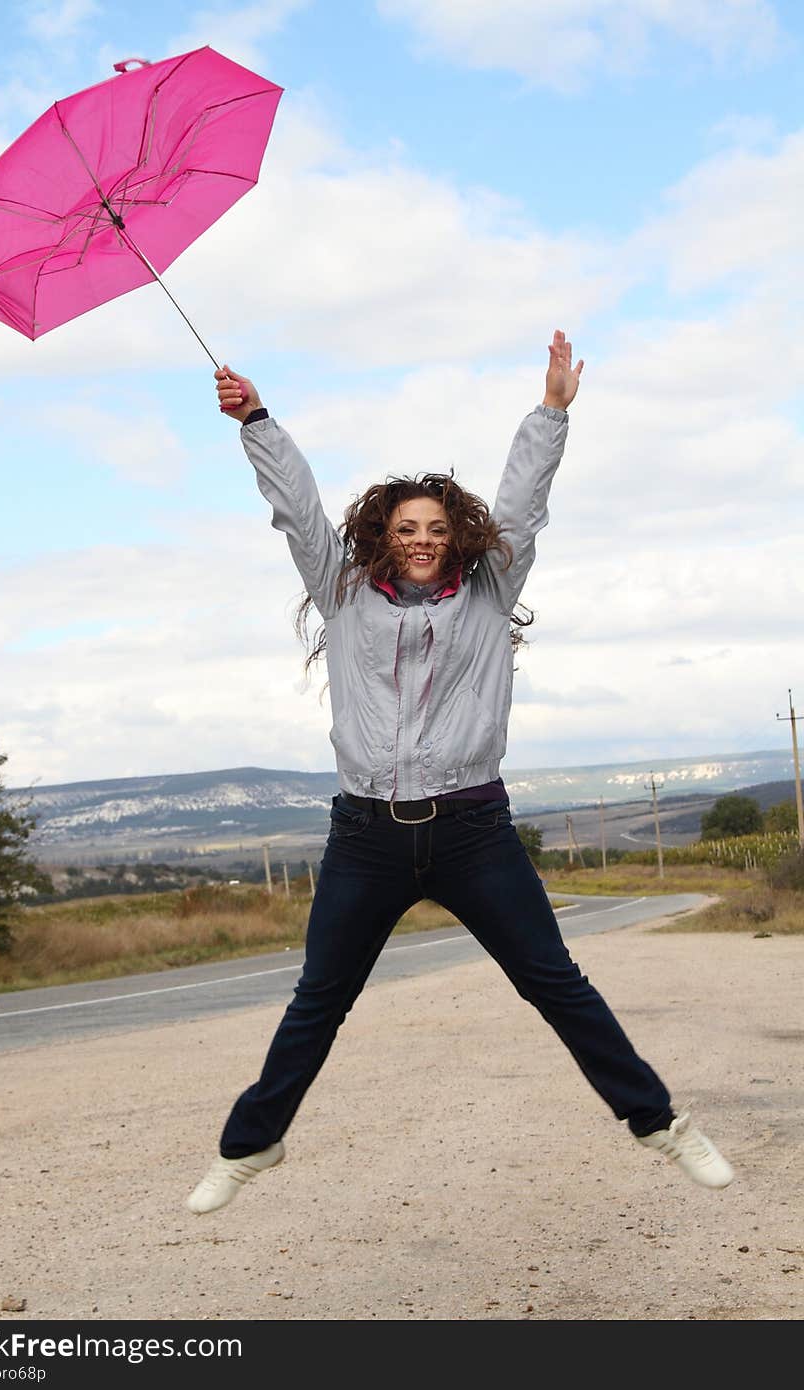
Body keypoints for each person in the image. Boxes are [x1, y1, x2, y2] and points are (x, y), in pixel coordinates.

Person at [186, 331, 733, 1215]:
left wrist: (552, 411)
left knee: (555, 984)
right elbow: (296, 510)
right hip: (365, 835)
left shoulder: (490, 590)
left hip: (474, 830)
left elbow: (526, 502)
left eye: (436, 529)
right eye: (407, 529)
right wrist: (256, 419)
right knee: (318, 1000)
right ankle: (252, 1144)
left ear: (458, 537)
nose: (422, 541)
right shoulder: (343, 590)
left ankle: (659, 1124)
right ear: (381, 536)